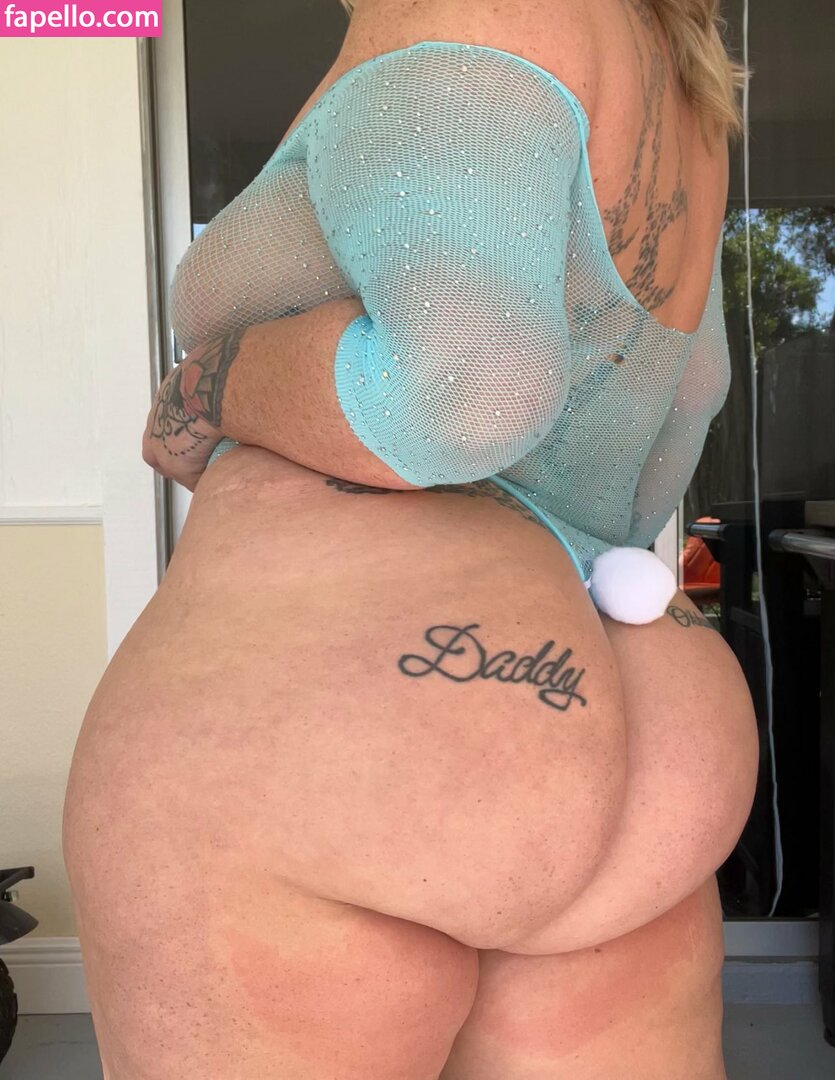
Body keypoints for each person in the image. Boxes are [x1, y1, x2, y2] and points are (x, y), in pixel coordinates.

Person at [62, 1, 760, 1077]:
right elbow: (686, 401)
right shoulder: (683, 89)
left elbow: (468, 395)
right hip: (648, 710)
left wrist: (211, 388)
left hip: (355, 723)